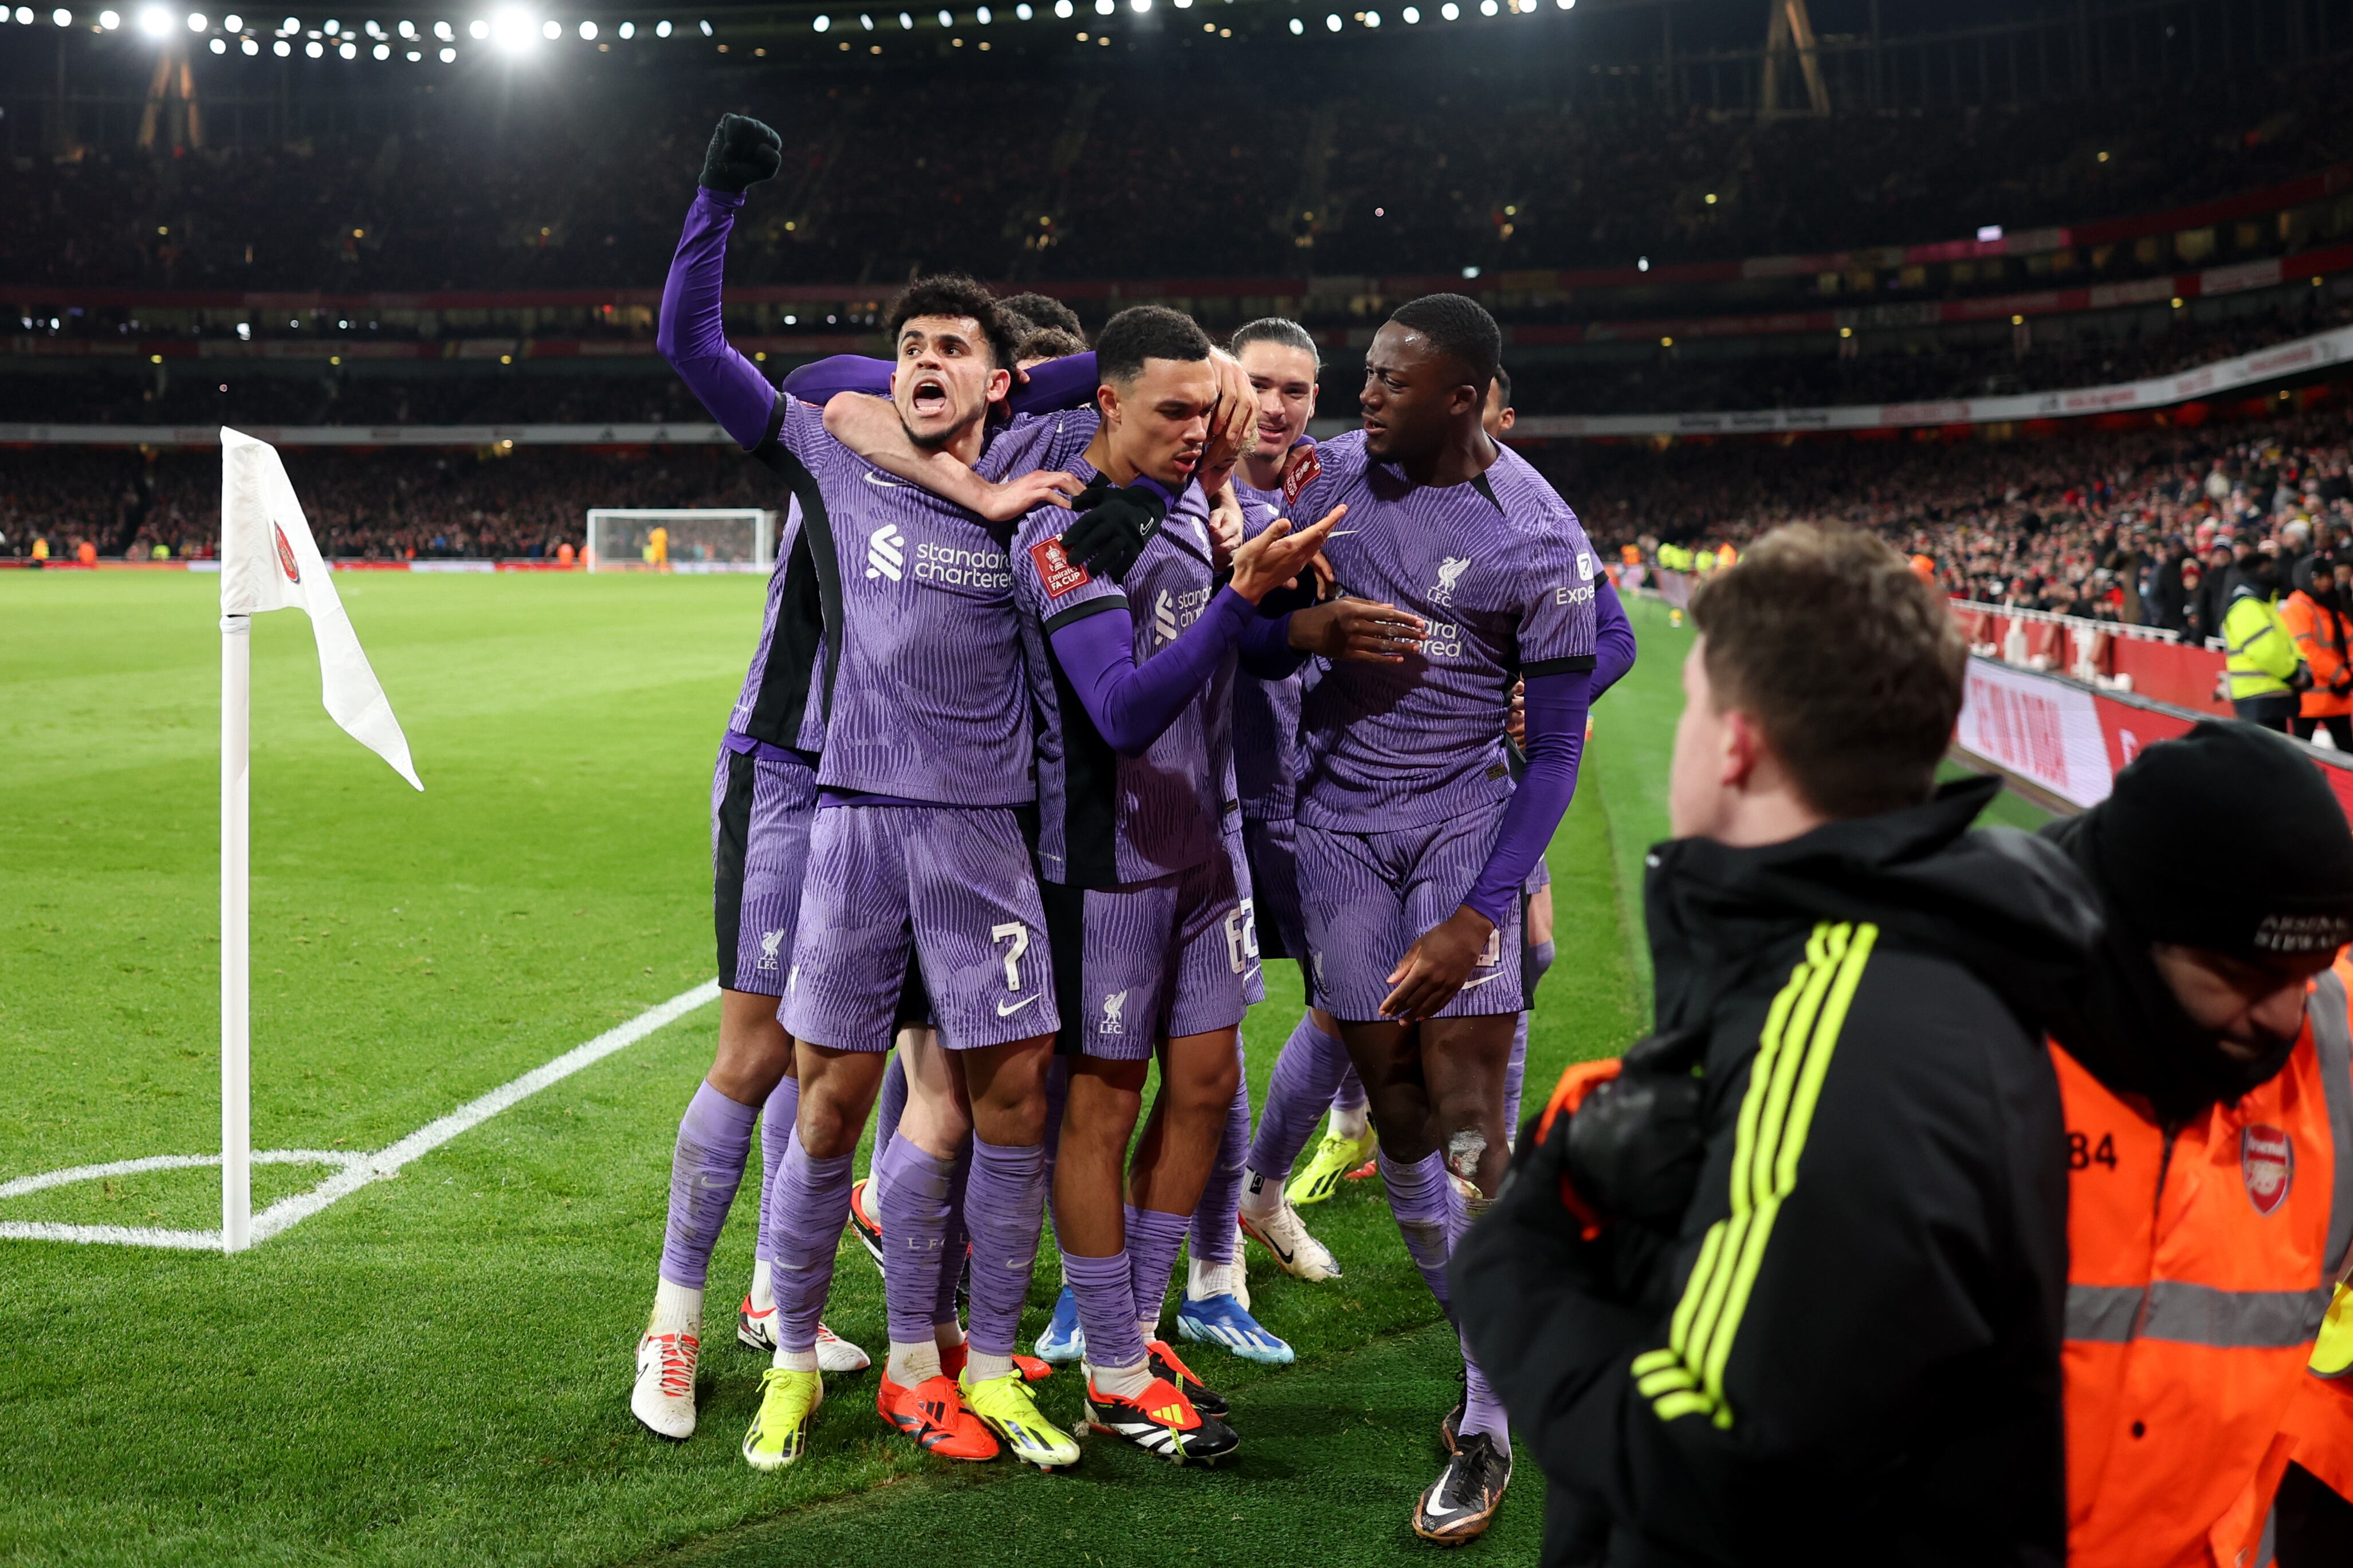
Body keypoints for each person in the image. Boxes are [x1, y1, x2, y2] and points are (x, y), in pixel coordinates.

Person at [1457, 524, 2096, 1566]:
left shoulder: (1838, 1012)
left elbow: (1718, 1460)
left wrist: (1516, 1256)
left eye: (1698, 704)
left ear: (1737, 742)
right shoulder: (1889, 966)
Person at [657, 113, 1087, 1473]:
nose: (921, 361)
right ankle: (745, 1334)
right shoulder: (836, 442)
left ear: (1004, 383)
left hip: (977, 830)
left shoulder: (1037, 480)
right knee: (802, 1084)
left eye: (952, 349)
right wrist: (719, 197)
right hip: (827, 801)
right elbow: (713, 355)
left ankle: (948, 1356)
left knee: (978, 1098)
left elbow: (1121, 377)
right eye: (911, 346)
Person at [1281, 293, 1601, 1542]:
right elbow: (1255, 639)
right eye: (1363, 374)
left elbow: (1560, 749)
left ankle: (1485, 1416)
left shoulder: (1537, 534)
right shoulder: (1325, 476)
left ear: (1463, 396)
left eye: (1390, 381)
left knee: (1470, 1127)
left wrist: (1482, 911)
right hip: (1336, 831)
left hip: (1462, 823)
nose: (1363, 396)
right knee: (1399, 1117)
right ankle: (1491, 1344)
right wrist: (1299, 625)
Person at [996, 306, 1334, 1459]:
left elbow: (1224, 642)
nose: (1197, 432)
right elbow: (1125, 708)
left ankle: (1130, 1338)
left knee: (1200, 1092)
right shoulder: (1062, 534)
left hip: (1203, 855)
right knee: (1099, 1109)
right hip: (1107, 868)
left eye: (1207, 409)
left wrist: (1287, 600)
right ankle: (1116, 1366)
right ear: (1106, 402)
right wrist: (1242, 595)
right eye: (1173, 411)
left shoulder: (1189, 503)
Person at [2036, 722, 2353, 1568]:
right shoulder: (1961, 1030)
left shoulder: (2328, 1038)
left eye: (2305, 975)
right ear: (2130, 933)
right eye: (2245, 981)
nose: (2285, 1018)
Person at [2224, 549, 2307, 733]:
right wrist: (2294, 674)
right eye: (2268, 569)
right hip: (2259, 698)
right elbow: (2266, 651)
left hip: (2268, 698)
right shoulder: (2247, 607)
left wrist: (2300, 663)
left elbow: (2286, 642)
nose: (2274, 573)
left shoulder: (2264, 605)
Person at [2284, 549, 2353, 749]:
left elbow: (2349, 641)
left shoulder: (2331, 605)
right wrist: (2341, 675)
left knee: (2347, 751)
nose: (2325, 582)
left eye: (2327, 577)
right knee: (2300, 753)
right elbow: (2305, 649)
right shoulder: (2298, 607)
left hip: (2336, 698)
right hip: (2309, 698)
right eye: (2318, 578)